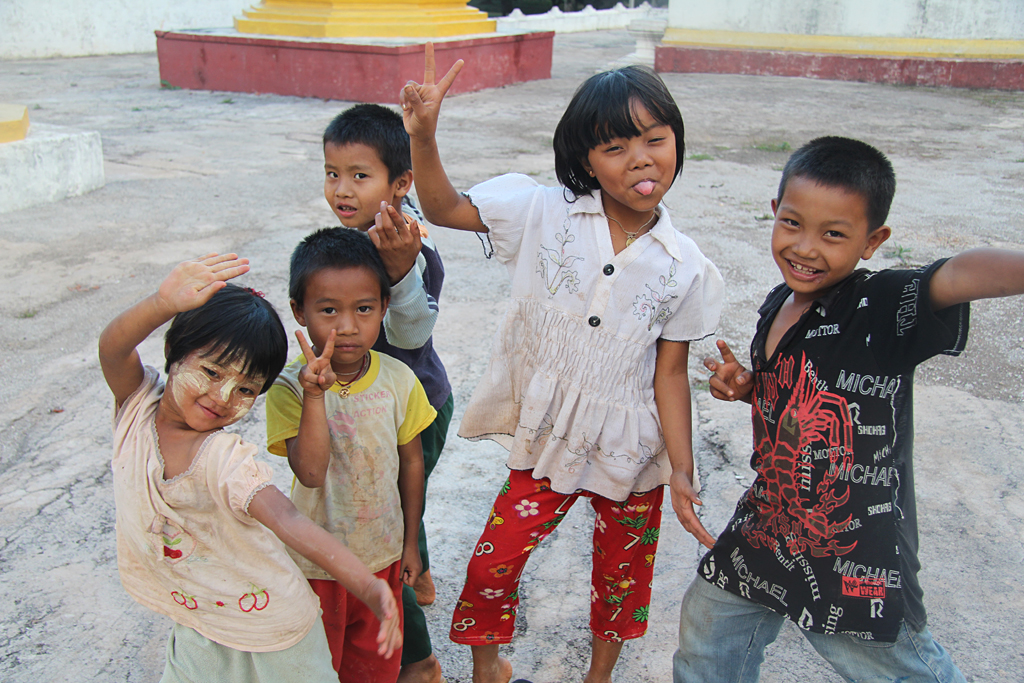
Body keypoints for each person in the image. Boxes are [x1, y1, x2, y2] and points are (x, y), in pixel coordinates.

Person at [401, 46, 724, 683]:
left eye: (655, 139)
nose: (640, 159)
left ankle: (597, 676)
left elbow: (669, 373)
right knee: (494, 565)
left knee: (622, 580)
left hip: (632, 447)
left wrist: (682, 469)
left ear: (676, 143)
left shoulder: (687, 265)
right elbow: (442, 209)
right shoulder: (542, 211)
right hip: (549, 438)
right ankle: (488, 665)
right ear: (584, 160)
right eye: (614, 148)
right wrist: (424, 137)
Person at [674, 136, 1024, 682]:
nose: (806, 248)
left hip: (851, 548)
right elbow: (793, 391)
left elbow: (958, 275)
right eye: (792, 224)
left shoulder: (879, 307)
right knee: (707, 632)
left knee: (892, 667)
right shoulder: (778, 302)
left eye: (834, 234)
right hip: (767, 522)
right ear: (774, 213)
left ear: (872, 240)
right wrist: (745, 388)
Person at [98, 253, 401, 682]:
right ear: (173, 352)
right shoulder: (136, 404)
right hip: (203, 619)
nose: (222, 397)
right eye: (211, 370)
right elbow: (112, 347)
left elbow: (288, 518)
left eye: (245, 388)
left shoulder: (223, 458)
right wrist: (162, 303)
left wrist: (368, 586)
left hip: (275, 630)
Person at [266, 228, 437, 683]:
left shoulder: (399, 380)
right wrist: (315, 397)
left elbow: (413, 464)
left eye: (363, 309)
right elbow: (310, 473)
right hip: (313, 564)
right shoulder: (287, 388)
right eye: (328, 310)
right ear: (300, 312)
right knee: (315, 669)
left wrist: (408, 546)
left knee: (372, 669)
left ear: (384, 307)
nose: (346, 326)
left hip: (379, 558)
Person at [322, 103, 452, 683]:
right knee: (399, 503)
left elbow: (410, 331)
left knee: (388, 526)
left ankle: (419, 662)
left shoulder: (411, 250)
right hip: (368, 404)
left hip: (414, 406)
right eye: (332, 173)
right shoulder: (350, 238)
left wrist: (399, 274)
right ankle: (420, 572)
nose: (342, 189)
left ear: (400, 184)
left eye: (359, 175)